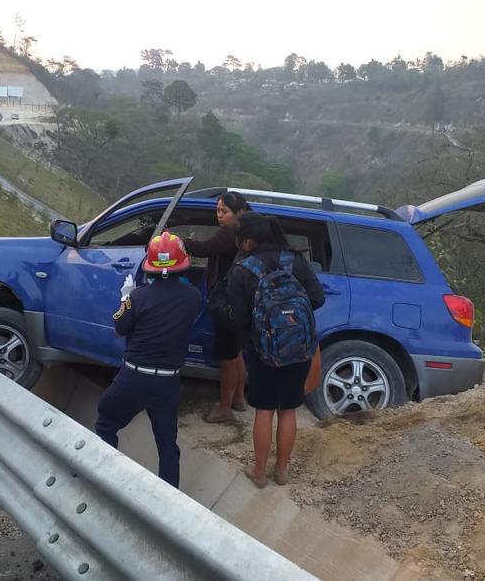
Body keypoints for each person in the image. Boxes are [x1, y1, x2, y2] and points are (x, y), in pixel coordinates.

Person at [95, 231, 202, 488]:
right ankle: (168, 499)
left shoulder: (138, 297)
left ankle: (102, 479)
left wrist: (126, 297)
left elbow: (121, 327)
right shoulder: (194, 297)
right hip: (167, 382)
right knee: (167, 445)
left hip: (133, 377)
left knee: (106, 425)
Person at [225, 212, 325, 488]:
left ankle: (258, 472)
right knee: (289, 410)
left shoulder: (243, 270)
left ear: (248, 241)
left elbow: (237, 319)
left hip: (262, 351)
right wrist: (290, 320)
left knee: (264, 411)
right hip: (299, 349)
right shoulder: (295, 261)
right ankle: (281, 471)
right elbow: (317, 298)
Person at [183, 191, 250, 424]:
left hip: (228, 302)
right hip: (241, 302)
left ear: (239, 212)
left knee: (227, 358)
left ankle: (224, 409)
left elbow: (206, 248)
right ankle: (239, 399)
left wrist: (177, 241)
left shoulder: (231, 231)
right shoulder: (246, 228)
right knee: (236, 352)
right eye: (218, 210)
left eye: (224, 211)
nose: (219, 215)